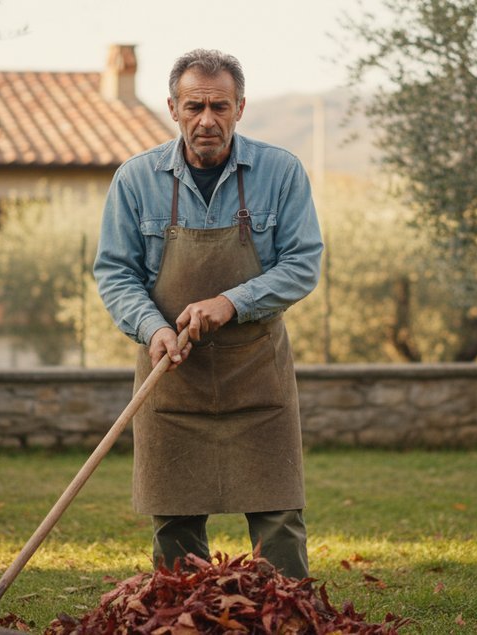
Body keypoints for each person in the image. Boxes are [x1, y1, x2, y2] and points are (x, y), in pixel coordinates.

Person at [93, 48, 323, 579]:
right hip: (172, 376)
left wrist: (231, 303)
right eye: (194, 106)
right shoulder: (135, 180)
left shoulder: (281, 171)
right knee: (174, 522)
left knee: (279, 518)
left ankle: (286, 617)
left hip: (256, 379)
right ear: (173, 108)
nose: (207, 119)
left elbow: (303, 262)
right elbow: (115, 273)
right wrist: (152, 329)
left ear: (240, 108)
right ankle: (180, 618)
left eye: (220, 106)